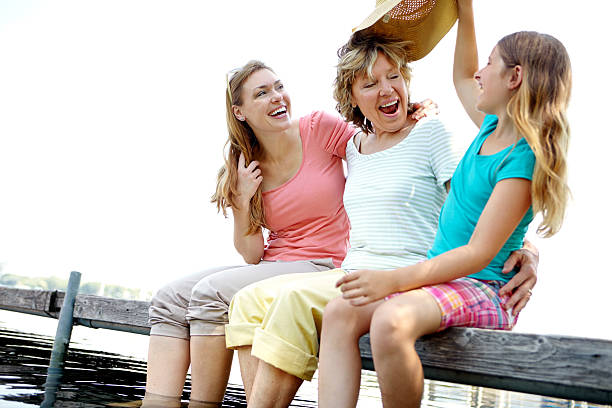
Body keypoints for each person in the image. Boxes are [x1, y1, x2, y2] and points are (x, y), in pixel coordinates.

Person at [224, 32, 540, 408]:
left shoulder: (431, 134)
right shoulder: (354, 147)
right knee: (246, 302)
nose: (387, 90)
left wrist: (527, 248)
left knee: (293, 300)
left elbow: (478, 204)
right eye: (370, 84)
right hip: (353, 272)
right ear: (352, 98)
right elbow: (297, 159)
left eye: (394, 77)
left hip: (406, 274)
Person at [317, 0, 571, 406]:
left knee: (389, 322)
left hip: (484, 287)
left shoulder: (522, 157)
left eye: (490, 64)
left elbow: (477, 253)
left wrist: (392, 281)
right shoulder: (491, 125)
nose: (478, 72)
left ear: (514, 78)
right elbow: (459, 73)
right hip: (445, 283)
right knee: (340, 312)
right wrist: (464, 8)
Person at [143, 60, 434, 407]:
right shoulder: (244, 161)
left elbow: (371, 146)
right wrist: (240, 201)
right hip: (274, 265)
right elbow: (252, 255)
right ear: (240, 112)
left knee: (210, 293)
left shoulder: (318, 129)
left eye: (278, 87)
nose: (276, 98)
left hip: (325, 264)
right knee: (168, 298)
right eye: (262, 93)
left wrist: (406, 120)